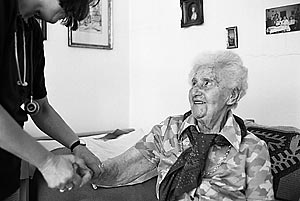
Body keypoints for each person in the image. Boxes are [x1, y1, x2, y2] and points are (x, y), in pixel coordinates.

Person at [93, 50, 274, 200]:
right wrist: (87, 171)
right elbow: (123, 168)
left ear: (232, 96)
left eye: (207, 83)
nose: (196, 90)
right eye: (194, 83)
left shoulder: (253, 149)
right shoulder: (168, 130)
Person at [0, 0, 104, 200]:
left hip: (6, 172)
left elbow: (40, 107)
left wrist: (77, 146)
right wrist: (48, 162)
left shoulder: (32, 32)